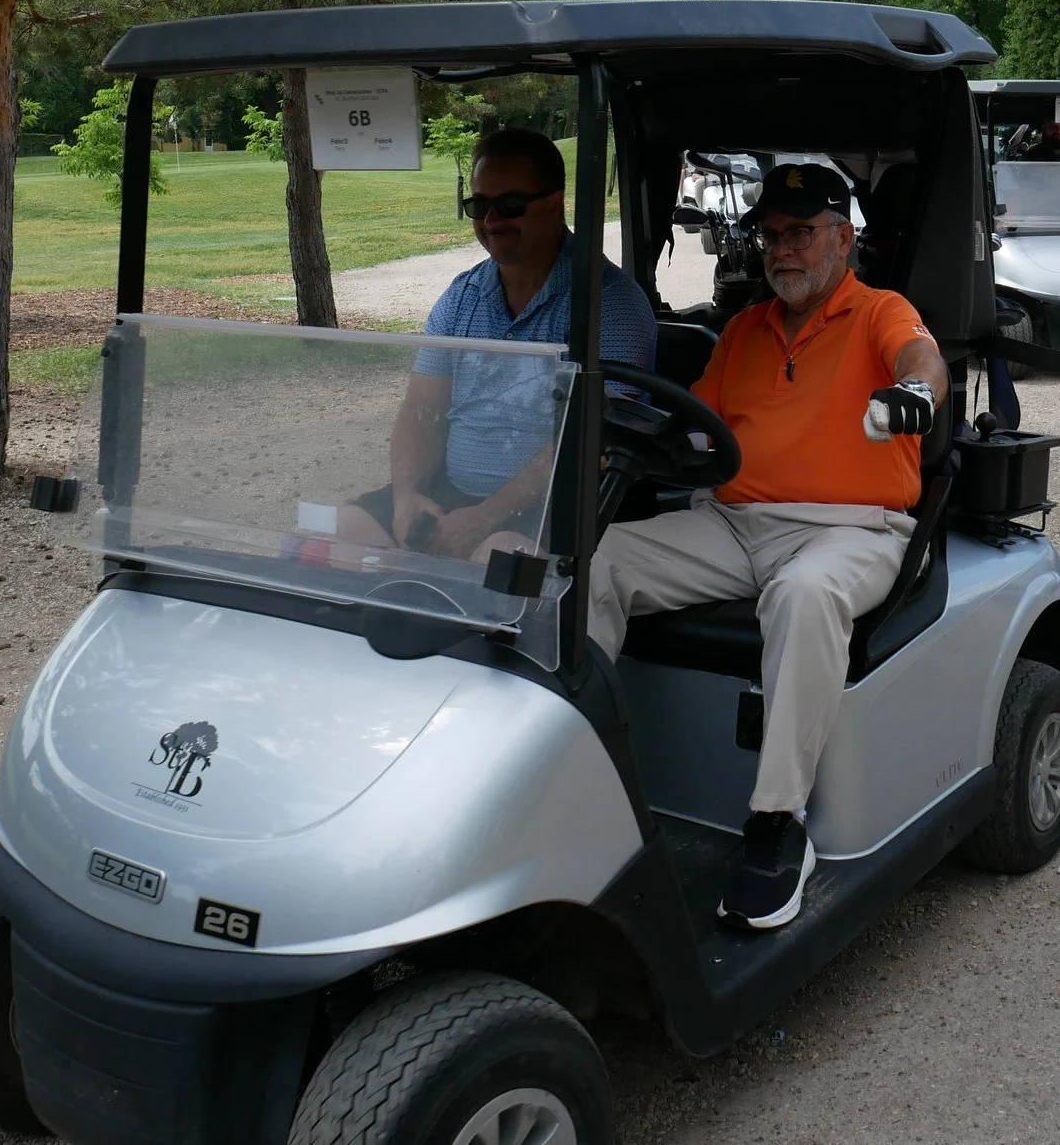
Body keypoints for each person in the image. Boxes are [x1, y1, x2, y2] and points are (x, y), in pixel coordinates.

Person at [589, 162, 946, 934]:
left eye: (801, 233)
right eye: (771, 235)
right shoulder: (746, 328)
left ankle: (778, 822)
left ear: (843, 238)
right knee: (600, 561)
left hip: (849, 528)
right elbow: (702, 426)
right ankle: (572, 767)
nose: (782, 249)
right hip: (734, 522)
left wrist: (912, 397)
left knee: (804, 594)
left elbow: (924, 362)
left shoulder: (880, 310)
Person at [339, 127, 656, 560]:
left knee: (500, 558)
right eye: (479, 205)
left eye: (509, 205)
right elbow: (421, 411)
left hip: (557, 503)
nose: (491, 221)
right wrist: (406, 495)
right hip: (455, 494)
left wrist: (485, 517)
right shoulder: (461, 296)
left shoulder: (609, 303)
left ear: (555, 202)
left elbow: (592, 437)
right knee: (345, 531)